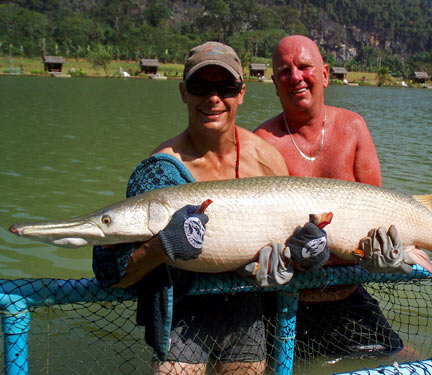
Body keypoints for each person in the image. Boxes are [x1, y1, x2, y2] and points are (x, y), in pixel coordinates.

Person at [93, 41, 329, 375]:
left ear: (241, 92)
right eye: (201, 86)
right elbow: (112, 272)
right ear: (183, 92)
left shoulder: (268, 160)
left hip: (246, 313)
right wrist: (162, 247)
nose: (213, 97)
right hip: (184, 316)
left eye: (226, 86)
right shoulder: (161, 170)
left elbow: (289, 243)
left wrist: (304, 254)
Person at [253, 35, 412, 359]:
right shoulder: (263, 141)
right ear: (274, 82)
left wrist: (390, 254)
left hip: (349, 296)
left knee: (405, 356)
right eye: (284, 71)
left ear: (325, 74)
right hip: (287, 299)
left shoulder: (353, 127)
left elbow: (378, 216)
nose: (295, 77)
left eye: (304, 66)